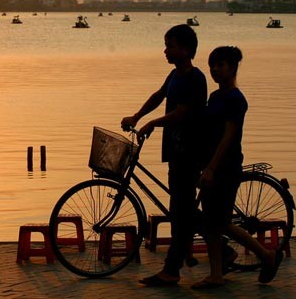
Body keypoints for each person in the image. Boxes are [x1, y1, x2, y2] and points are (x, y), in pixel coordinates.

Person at [121, 24, 207, 286]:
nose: (166, 51)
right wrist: (137, 116)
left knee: (180, 210)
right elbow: (158, 96)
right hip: (175, 149)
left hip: (190, 151)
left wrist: (152, 124)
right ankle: (222, 251)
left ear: (185, 49)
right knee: (182, 209)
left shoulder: (195, 78)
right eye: (166, 45)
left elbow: (182, 113)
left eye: (170, 46)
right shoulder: (174, 76)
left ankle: (172, 269)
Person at [192, 46, 283, 290]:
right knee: (212, 223)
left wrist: (211, 167)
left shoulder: (235, 99)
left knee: (220, 223)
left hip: (226, 166)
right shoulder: (215, 96)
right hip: (211, 165)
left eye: (220, 65)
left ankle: (266, 255)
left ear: (232, 68)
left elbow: (228, 137)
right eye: (212, 65)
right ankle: (216, 273)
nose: (214, 70)